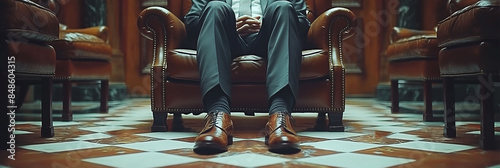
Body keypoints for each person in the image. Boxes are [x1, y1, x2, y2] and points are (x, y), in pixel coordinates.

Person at [184, 0, 310, 154]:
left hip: (270, 40)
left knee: (282, 7)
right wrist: (231, 25)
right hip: (227, 42)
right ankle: (218, 117)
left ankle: (280, 117)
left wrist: (264, 24)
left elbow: (303, 23)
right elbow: (191, 23)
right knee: (215, 7)